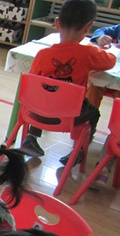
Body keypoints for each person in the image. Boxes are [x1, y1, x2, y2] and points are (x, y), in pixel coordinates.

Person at [20, 0, 115, 166]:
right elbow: (110, 61)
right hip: (70, 115)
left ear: (57, 23)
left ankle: (31, 136)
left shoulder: (42, 54)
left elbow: (34, 83)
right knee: (93, 113)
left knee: (43, 96)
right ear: (88, 27)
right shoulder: (88, 53)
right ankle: (78, 151)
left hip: (37, 113)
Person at [86, 24, 120, 189]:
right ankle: (87, 129)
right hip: (111, 76)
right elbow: (102, 30)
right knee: (93, 87)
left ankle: (105, 164)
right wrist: (100, 38)